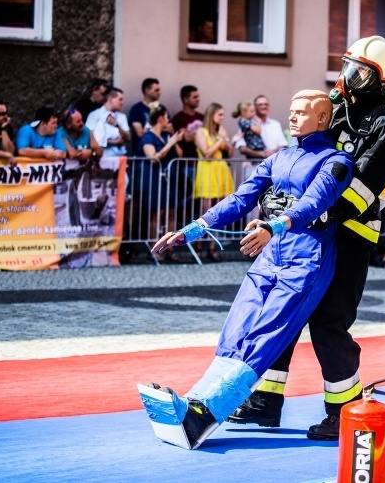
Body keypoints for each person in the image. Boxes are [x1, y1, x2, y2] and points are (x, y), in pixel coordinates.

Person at [141, 90, 353, 450]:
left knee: (264, 335)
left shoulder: (337, 161)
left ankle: (204, 414)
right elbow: (242, 197)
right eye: (292, 111)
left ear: (323, 119)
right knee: (236, 328)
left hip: (307, 258)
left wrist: (275, 226)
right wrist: (192, 229)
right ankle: (196, 403)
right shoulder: (281, 156)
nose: (294, 117)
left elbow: (314, 202)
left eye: (303, 112)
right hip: (270, 255)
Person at [228, 36, 385, 441]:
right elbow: (308, 156)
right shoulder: (339, 109)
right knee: (285, 312)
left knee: (329, 322)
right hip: (312, 229)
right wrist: (285, 198)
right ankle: (264, 403)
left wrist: (315, 210)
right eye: (346, 68)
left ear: (378, 80)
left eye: (358, 72)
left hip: (350, 234)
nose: (347, 78)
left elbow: (361, 188)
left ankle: (345, 413)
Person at [193, 102, 243, 261]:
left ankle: (213, 247)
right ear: (212, 114)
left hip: (221, 169)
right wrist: (220, 141)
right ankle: (200, 245)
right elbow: (207, 153)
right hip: (207, 170)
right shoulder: (201, 131)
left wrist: (232, 142)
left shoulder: (221, 131)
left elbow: (228, 153)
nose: (222, 117)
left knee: (219, 211)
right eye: (220, 114)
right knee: (206, 210)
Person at [135, 103, 184, 261]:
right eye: (166, 117)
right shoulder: (147, 137)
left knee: (171, 213)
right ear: (160, 118)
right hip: (154, 178)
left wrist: (174, 140)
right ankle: (154, 249)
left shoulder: (166, 135)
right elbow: (154, 157)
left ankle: (170, 248)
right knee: (156, 214)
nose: (168, 120)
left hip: (169, 179)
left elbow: (180, 154)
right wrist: (169, 143)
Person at [86, 87, 131, 157]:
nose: (122, 103)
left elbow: (128, 137)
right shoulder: (94, 115)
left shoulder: (122, 117)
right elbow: (89, 138)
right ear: (110, 99)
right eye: (120, 100)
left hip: (119, 157)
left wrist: (116, 125)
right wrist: (113, 142)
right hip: (101, 157)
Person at [128, 78, 162, 151]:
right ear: (147, 91)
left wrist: (148, 130)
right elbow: (140, 133)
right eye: (156, 90)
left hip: (161, 152)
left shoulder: (161, 108)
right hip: (142, 154)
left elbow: (171, 129)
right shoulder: (136, 109)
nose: (160, 93)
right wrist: (160, 128)